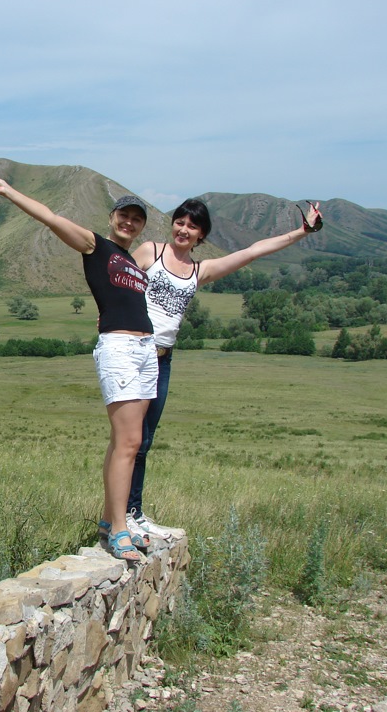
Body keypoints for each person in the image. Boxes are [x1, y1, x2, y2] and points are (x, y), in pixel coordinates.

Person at [0, 174, 156, 563]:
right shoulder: (96, 245)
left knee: (128, 441)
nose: (129, 222)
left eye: (136, 218)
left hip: (144, 349)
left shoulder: (132, 260)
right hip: (121, 348)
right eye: (123, 215)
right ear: (111, 217)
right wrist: (7, 191)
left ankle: (110, 520)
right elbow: (51, 218)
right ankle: (119, 531)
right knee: (128, 443)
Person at [124, 198, 324, 542]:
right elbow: (118, 280)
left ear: (201, 235)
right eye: (179, 222)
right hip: (134, 353)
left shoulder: (199, 271)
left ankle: (134, 512)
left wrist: (302, 232)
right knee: (129, 440)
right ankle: (120, 516)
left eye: (192, 226)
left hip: (163, 358)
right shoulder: (149, 252)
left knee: (145, 441)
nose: (183, 230)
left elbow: (253, 251)